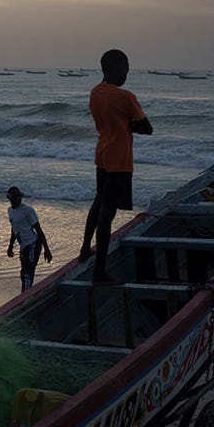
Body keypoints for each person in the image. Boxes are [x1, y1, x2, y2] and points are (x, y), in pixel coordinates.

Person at [79, 49, 152, 283]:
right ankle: (100, 271)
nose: (127, 74)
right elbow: (147, 128)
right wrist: (130, 125)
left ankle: (84, 250)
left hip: (102, 153)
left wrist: (125, 123)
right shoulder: (125, 97)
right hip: (119, 157)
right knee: (107, 212)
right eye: (126, 70)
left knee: (99, 201)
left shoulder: (95, 93)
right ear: (118, 70)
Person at [5, 186, 52, 292]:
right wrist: (10, 246)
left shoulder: (27, 211)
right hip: (23, 246)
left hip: (33, 244)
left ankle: (24, 297)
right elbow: (14, 229)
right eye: (15, 197)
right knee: (23, 274)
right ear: (9, 198)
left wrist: (47, 250)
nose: (18, 199)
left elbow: (39, 230)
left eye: (19, 196)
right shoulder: (10, 211)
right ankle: (26, 294)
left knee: (27, 273)